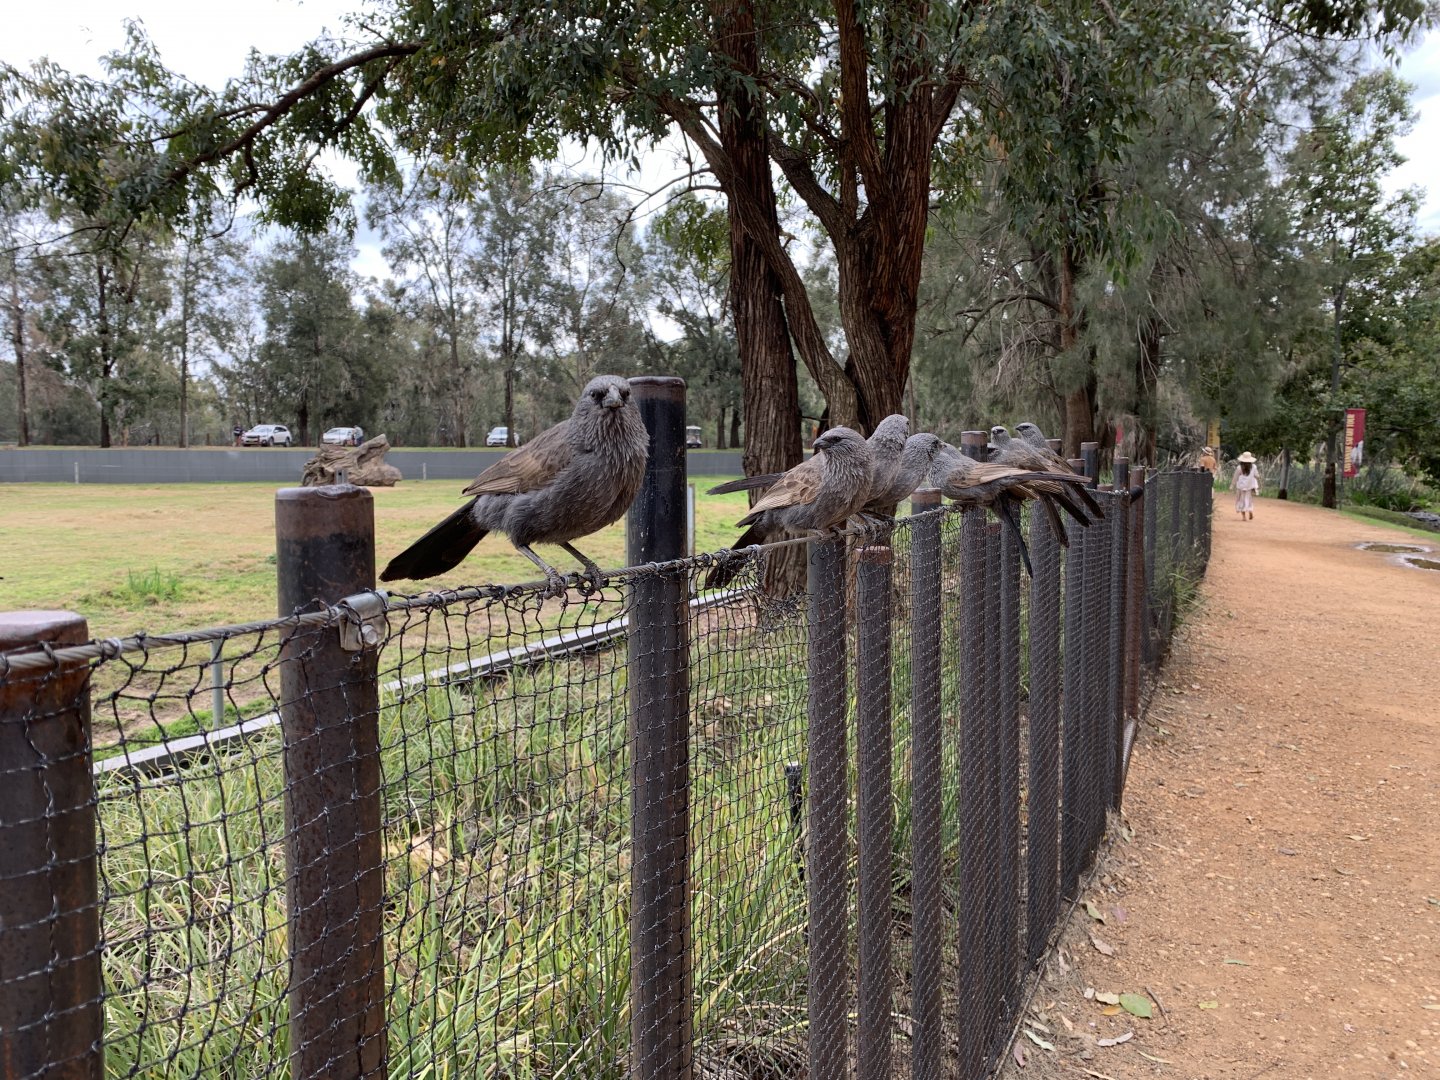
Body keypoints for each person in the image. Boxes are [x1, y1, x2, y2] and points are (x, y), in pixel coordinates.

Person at [1233, 451, 1260, 520]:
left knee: (1241, 500)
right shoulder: (1254, 467)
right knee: (1249, 499)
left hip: (1241, 486)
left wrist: (1232, 485)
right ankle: (1250, 510)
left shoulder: (1239, 467)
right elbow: (1257, 475)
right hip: (1250, 486)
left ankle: (1244, 517)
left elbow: (1235, 477)